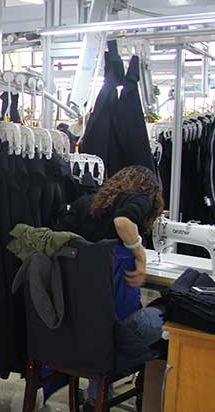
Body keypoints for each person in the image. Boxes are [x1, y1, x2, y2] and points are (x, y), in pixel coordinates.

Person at [55, 165, 166, 407]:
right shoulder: (140, 196)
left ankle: (97, 399)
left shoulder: (85, 203)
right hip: (112, 335)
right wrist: (140, 257)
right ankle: (147, 399)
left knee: (101, 322)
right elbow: (123, 222)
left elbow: (59, 244)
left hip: (73, 328)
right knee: (170, 324)